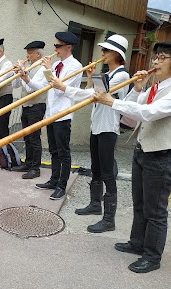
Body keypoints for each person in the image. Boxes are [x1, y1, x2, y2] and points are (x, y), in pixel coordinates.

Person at [93, 41, 171, 273]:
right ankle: (137, 243)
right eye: (156, 57)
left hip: (163, 154)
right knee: (140, 203)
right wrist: (137, 88)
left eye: (162, 58)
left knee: (155, 209)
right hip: (143, 151)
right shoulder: (156, 86)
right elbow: (131, 110)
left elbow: (149, 113)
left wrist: (110, 100)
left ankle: (152, 256)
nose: (155, 62)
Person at [49, 34, 130, 232]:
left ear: (116, 54)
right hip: (97, 126)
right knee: (96, 168)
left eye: (106, 51)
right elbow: (92, 91)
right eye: (102, 50)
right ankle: (95, 204)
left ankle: (109, 219)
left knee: (107, 173)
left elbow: (94, 95)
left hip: (108, 128)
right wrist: (89, 78)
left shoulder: (122, 75)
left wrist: (64, 87)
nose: (102, 53)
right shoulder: (107, 74)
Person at [21, 32, 83, 200]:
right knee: (53, 150)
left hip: (63, 114)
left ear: (68, 47)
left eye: (58, 46)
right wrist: (25, 78)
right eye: (55, 45)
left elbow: (59, 88)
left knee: (63, 152)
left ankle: (62, 185)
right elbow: (41, 86)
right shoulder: (56, 65)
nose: (55, 49)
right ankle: (54, 180)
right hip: (50, 113)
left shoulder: (75, 66)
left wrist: (48, 69)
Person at [12, 40, 48, 179]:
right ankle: (28, 163)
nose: (27, 55)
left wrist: (23, 75)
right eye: (27, 53)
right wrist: (17, 73)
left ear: (38, 54)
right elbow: (15, 85)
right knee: (27, 136)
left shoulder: (42, 69)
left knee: (34, 138)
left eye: (30, 53)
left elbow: (32, 89)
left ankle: (35, 168)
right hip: (26, 105)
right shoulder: (31, 67)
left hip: (37, 106)